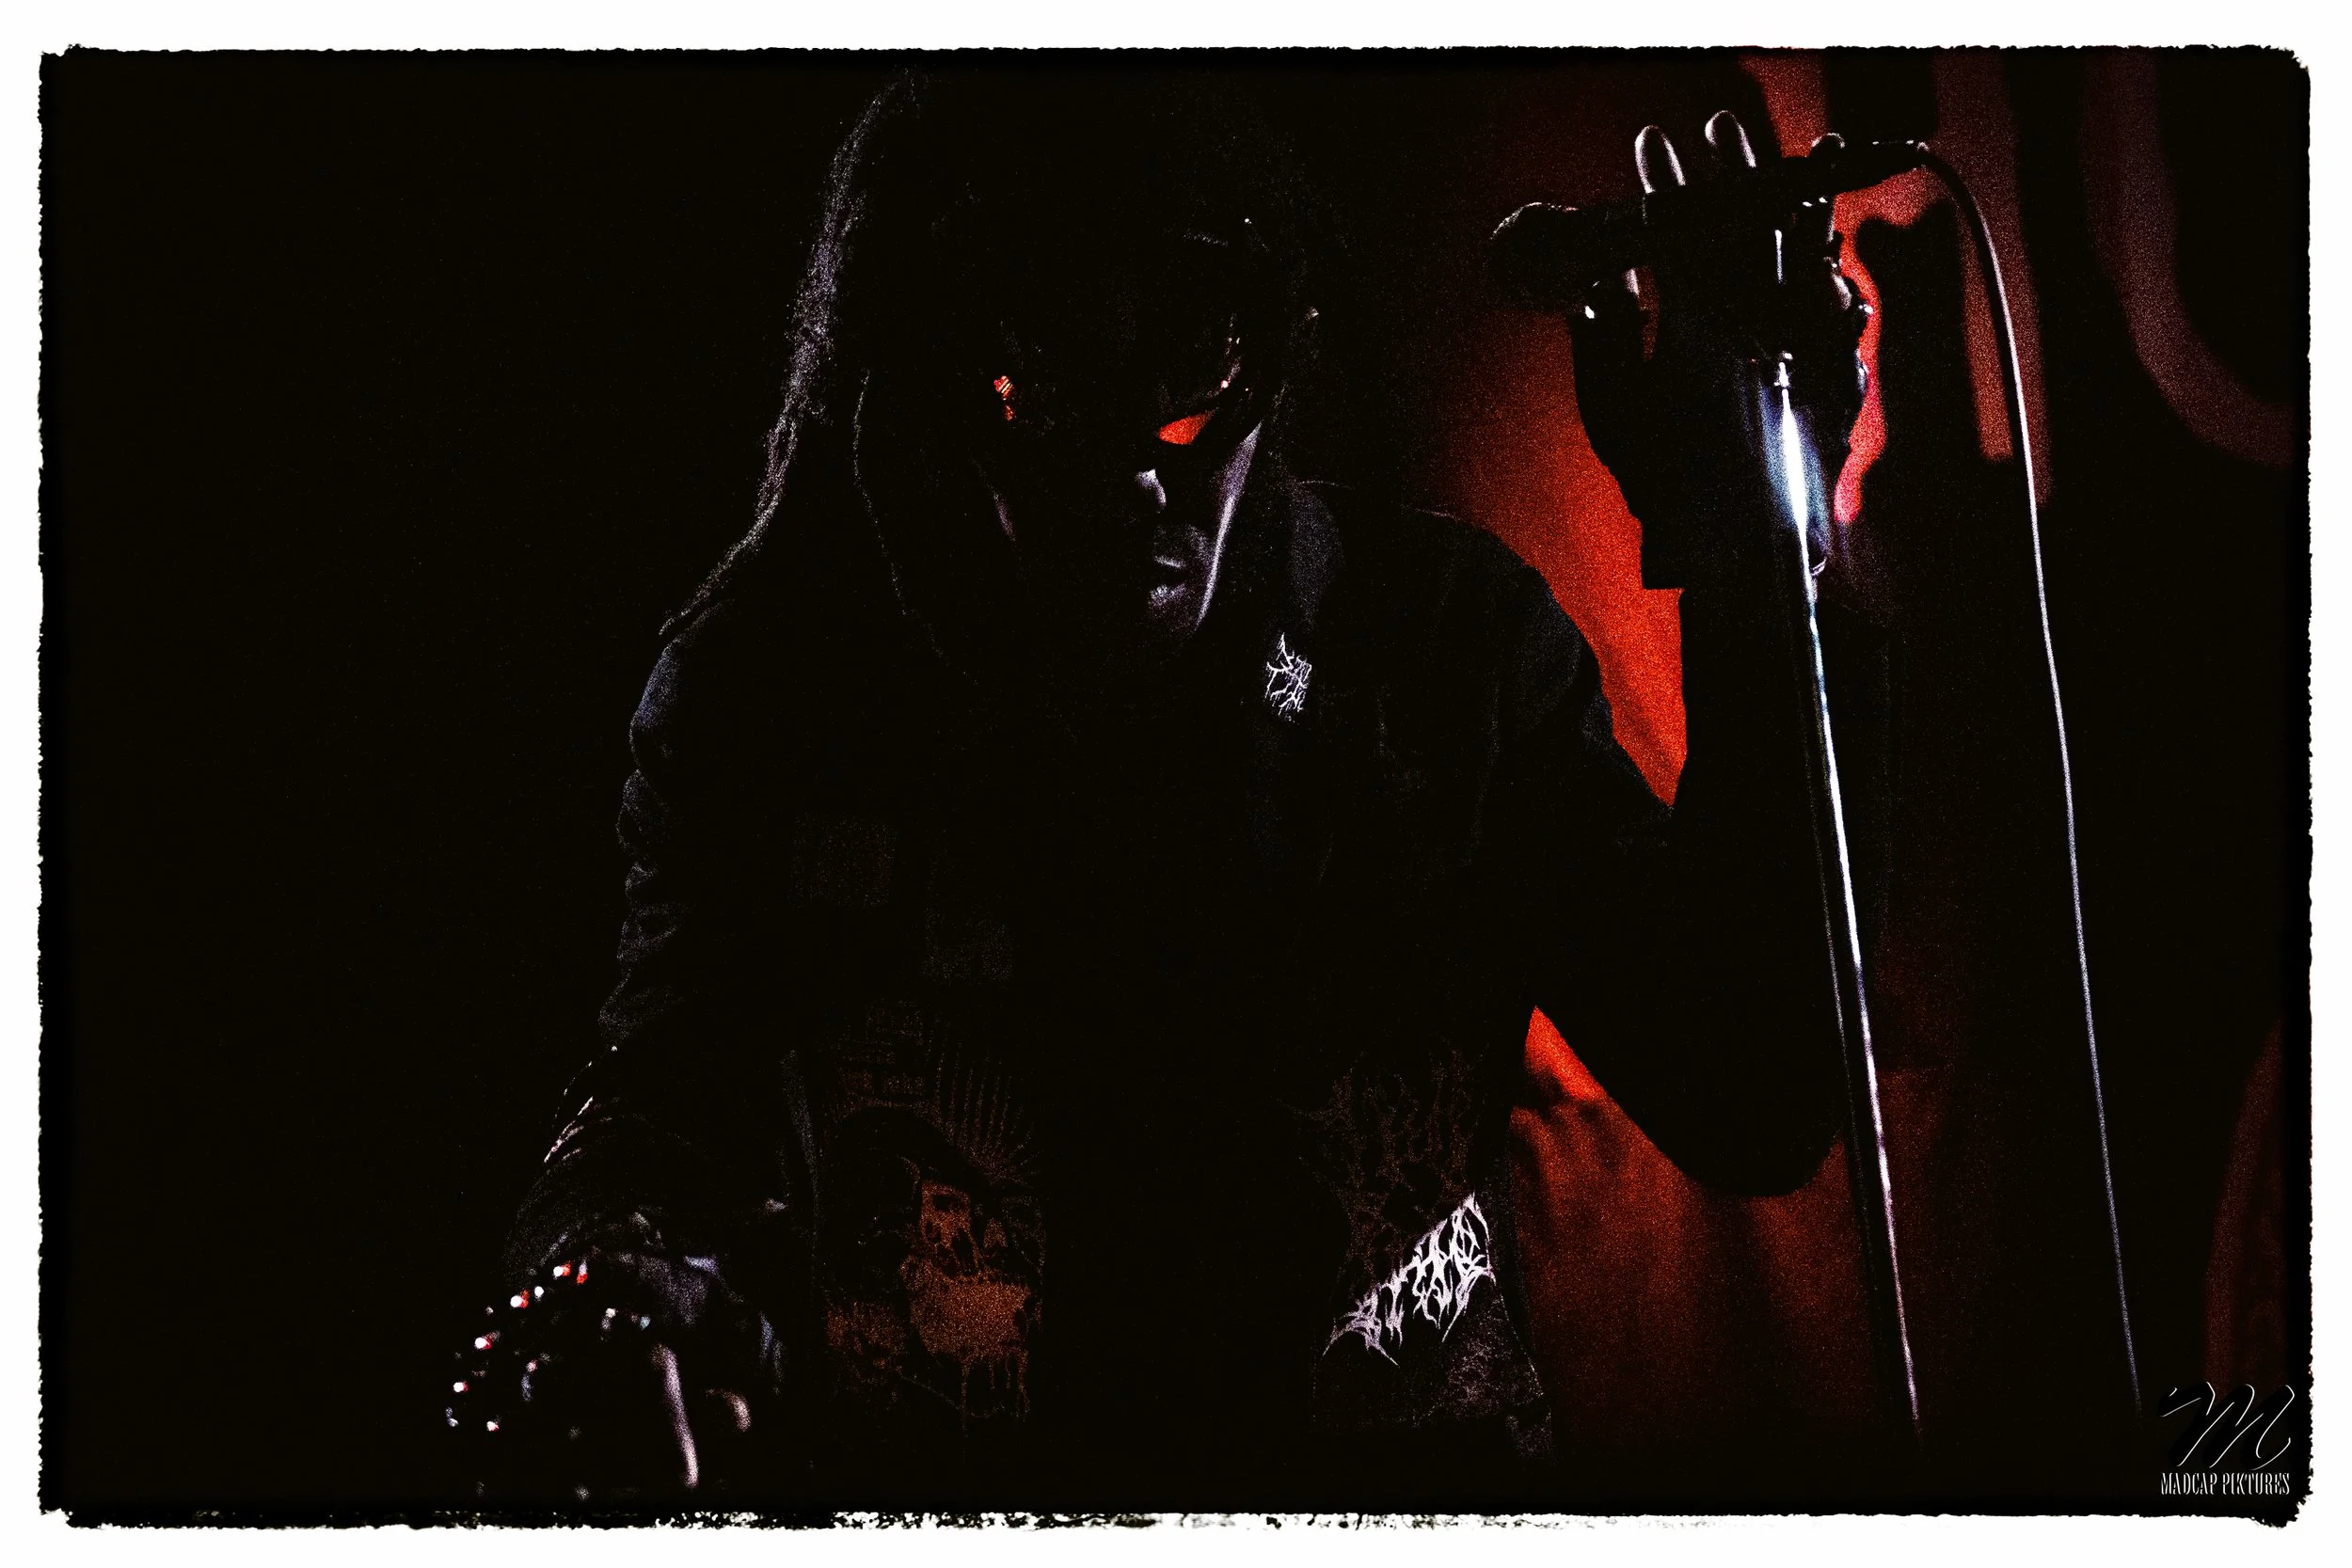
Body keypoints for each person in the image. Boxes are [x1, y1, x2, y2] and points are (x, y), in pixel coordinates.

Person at [448, 71, 1870, 1511]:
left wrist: (1756, 549)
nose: (1131, 464)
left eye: (1191, 352)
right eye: (1049, 367)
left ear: (1275, 350)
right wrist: (613, 1276)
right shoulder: (783, 694)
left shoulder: (1442, 655)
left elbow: (1749, 1091)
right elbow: (663, 1090)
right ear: (934, 363)